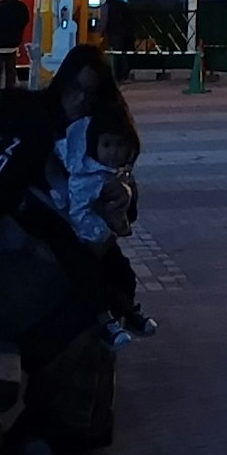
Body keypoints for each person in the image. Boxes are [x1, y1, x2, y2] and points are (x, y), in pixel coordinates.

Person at [45, 42, 160, 340]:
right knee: (86, 273)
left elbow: (124, 199)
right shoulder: (47, 125)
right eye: (75, 89)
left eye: (90, 92)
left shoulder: (103, 127)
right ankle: (110, 319)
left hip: (94, 229)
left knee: (119, 274)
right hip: (51, 231)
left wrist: (122, 199)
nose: (80, 99)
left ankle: (121, 317)